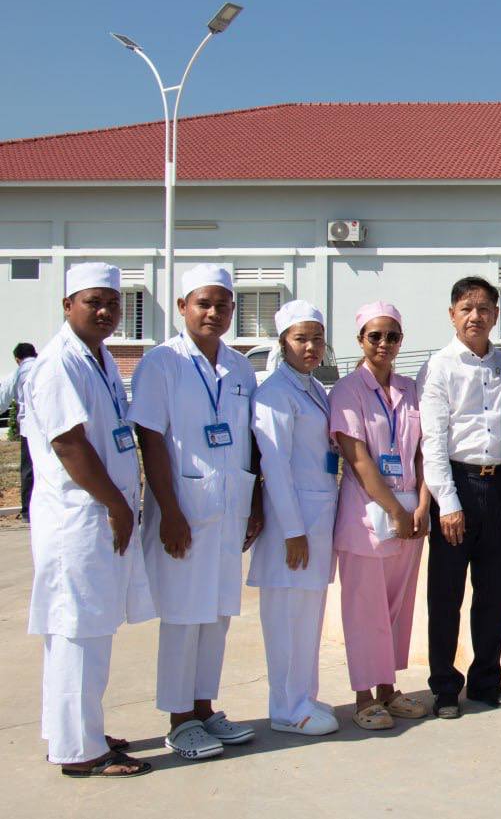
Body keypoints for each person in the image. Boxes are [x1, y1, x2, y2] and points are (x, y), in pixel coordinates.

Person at [24, 263, 154, 778]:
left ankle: (73, 730)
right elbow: (69, 444)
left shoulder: (97, 358)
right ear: (67, 305)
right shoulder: (59, 363)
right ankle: (81, 751)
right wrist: (118, 504)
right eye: (93, 302)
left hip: (97, 513)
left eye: (113, 303)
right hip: (79, 517)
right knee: (78, 630)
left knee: (82, 630)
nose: (105, 312)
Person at [128, 264, 262, 760]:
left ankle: (204, 709)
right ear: (183, 306)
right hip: (184, 510)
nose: (213, 313)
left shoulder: (240, 367)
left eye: (223, 305)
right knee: (184, 617)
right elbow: (150, 438)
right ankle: (179, 720)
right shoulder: (161, 363)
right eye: (203, 303)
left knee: (218, 614)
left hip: (229, 509)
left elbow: (249, 440)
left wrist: (254, 503)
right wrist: (169, 511)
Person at [417, 277, 501, 719]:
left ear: (495, 315)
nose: (475, 316)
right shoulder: (438, 367)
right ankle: (444, 686)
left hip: (500, 487)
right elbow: (433, 442)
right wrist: (448, 502)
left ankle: (486, 680)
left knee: (495, 593)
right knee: (446, 595)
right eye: (466, 308)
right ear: (452, 315)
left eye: (483, 308)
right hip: (457, 485)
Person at [329, 301, 430, 730]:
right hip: (367, 516)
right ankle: (363, 696)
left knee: (396, 607)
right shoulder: (347, 391)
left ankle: (388, 688)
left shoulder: (411, 390)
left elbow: (425, 451)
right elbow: (358, 459)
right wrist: (394, 510)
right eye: (375, 336)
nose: (384, 343)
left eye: (392, 336)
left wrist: (422, 504)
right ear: (361, 340)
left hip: (410, 513)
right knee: (364, 610)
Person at [247, 300, 340, 736]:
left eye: (317, 339)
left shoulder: (313, 387)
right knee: (286, 620)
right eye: (301, 339)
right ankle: (286, 708)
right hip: (295, 525)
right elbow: (276, 466)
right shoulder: (274, 394)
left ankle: (304, 695)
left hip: (317, 517)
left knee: (308, 618)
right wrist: (292, 531)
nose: (311, 347)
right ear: (283, 342)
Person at [0, 342, 38, 520]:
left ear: (17, 359)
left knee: (28, 469)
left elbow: (2, 401)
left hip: (29, 428)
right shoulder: (45, 366)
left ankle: (27, 512)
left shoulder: (17, 373)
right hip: (51, 426)